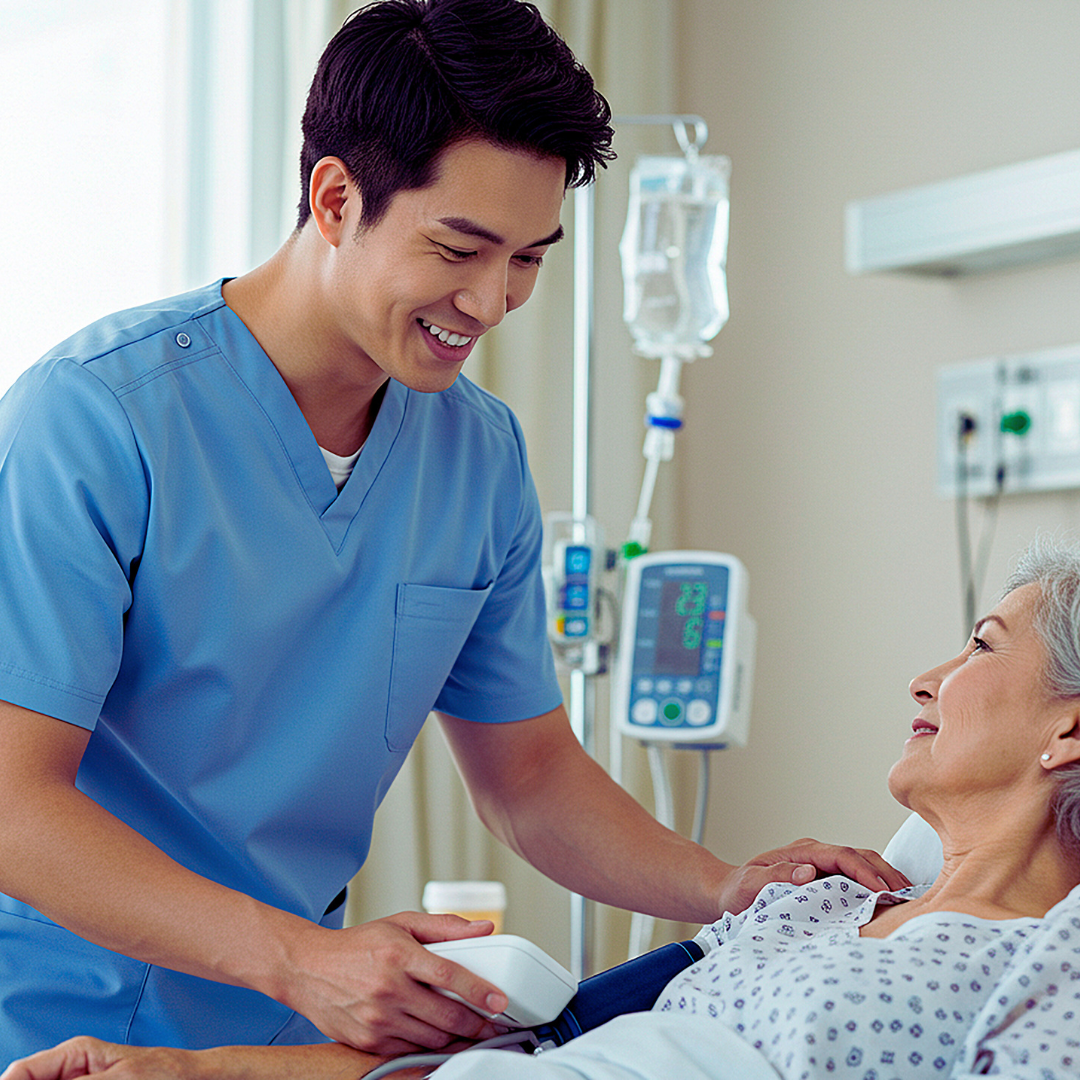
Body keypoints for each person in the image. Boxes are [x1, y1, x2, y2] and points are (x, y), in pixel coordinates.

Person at [0, 0, 904, 1063]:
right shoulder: (95, 419)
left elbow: (529, 777)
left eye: (529, 257)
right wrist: (301, 959)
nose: (493, 300)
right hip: (51, 1016)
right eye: (460, 247)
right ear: (335, 199)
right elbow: (13, 800)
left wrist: (724, 887)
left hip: (282, 1039)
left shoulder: (477, 458)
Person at [7, 533, 1080, 1079]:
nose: (926, 678)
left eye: (982, 645)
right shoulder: (814, 908)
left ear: (1068, 732)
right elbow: (539, 1045)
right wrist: (170, 1071)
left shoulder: (1046, 965)